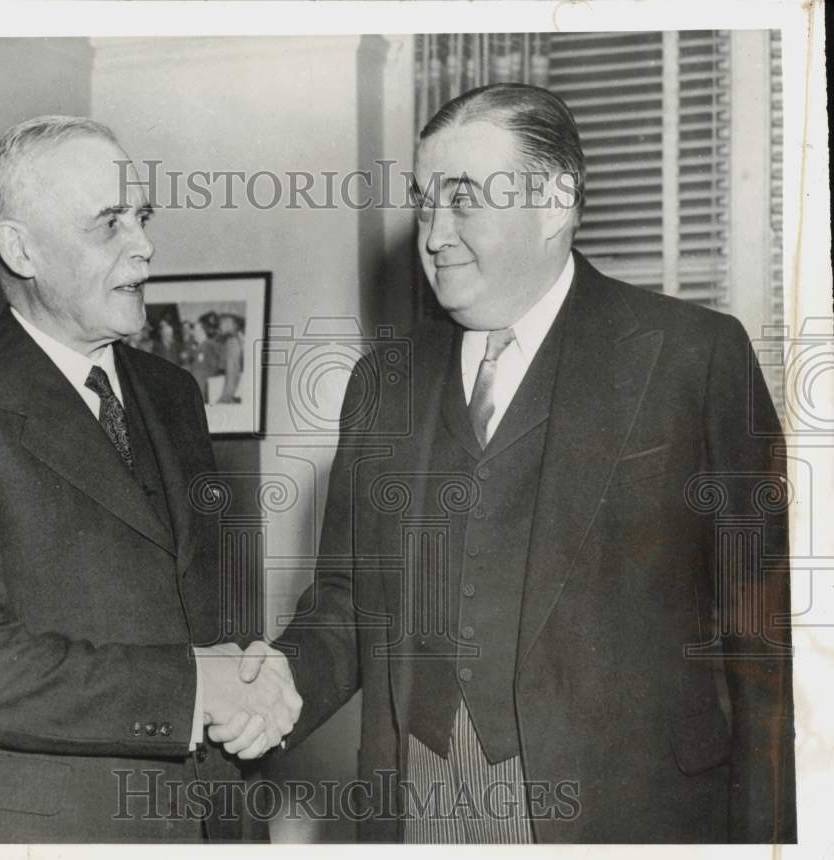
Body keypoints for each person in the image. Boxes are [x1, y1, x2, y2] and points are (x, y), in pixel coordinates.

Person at [234, 84, 796, 842]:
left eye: (463, 200)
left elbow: (762, 641)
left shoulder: (692, 356)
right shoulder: (382, 385)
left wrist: (774, 837)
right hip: (418, 801)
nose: (433, 235)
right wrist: (273, 686)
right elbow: (345, 599)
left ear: (556, 201)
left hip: (628, 811)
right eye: (425, 202)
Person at [0, 116, 301, 843]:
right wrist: (199, 687)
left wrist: (255, 683)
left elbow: (202, 607)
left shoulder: (173, 392)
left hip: (207, 817)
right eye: (110, 223)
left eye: (141, 217)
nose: (144, 246)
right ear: (21, 248)